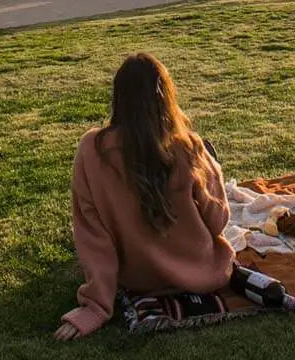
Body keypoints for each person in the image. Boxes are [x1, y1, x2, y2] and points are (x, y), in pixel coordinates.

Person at [55, 53, 234, 340]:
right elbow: (217, 221)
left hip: (137, 279)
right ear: (167, 97)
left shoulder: (91, 150)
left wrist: (96, 306)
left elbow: (92, 235)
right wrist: (211, 171)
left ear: (119, 98)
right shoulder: (188, 146)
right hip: (200, 273)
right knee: (207, 156)